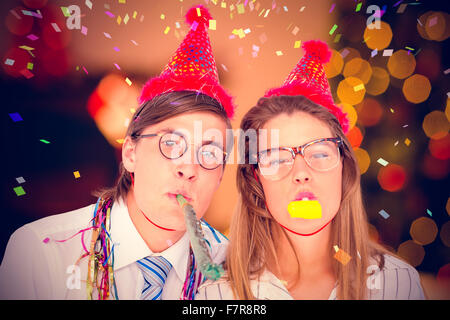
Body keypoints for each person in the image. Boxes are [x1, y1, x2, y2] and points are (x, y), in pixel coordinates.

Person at [0, 5, 235, 300]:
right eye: (171, 144)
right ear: (130, 153)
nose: (189, 168)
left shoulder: (239, 276)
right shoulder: (40, 254)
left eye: (210, 153)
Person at [196, 40, 425, 300]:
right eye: (278, 159)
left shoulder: (398, 283)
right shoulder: (218, 295)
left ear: (344, 168)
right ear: (257, 181)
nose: (301, 172)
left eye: (318, 153)